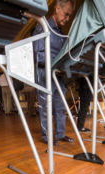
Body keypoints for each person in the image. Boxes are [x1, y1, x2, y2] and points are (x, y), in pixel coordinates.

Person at [32, 0, 75, 146]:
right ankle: (47, 137)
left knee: (60, 106)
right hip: (44, 72)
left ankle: (60, 134)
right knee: (46, 106)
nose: (67, 19)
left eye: (69, 16)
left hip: (58, 73)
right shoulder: (42, 26)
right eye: (66, 14)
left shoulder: (59, 31)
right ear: (57, 8)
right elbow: (37, 55)